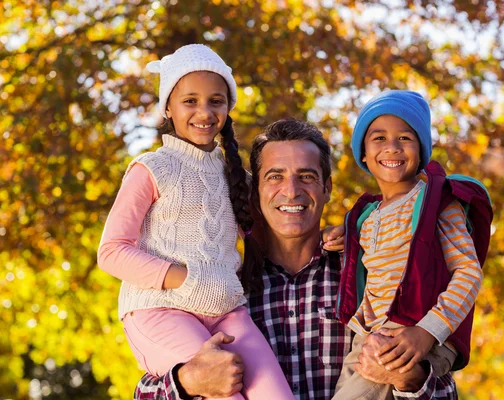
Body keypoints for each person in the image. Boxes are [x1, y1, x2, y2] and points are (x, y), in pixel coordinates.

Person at [134, 118, 459, 400]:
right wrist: (188, 382)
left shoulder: (373, 276)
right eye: (275, 176)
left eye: (306, 176)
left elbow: (446, 391)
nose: (291, 191)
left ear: (327, 187)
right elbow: (144, 391)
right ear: (254, 191)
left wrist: (406, 377)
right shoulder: (222, 289)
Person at [97, 44, 294, 400]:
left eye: (216, 101)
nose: (204, 112)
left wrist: (333, 234)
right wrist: (186, 278)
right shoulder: (152, 169)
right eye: (190, 101)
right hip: (159, 309)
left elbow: (276, 230)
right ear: (168, 108)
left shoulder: (236, 175)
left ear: (228, 108)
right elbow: (111, 251)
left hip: (225, 310)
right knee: (222, 393)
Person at [333, 90, 484, 400]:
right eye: (379, 138)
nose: (392, 147)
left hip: (412, 330)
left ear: (421, 150)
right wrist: (338, 236)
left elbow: (469, 271)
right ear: (362, 153)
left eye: (405, 138)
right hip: (367, 333)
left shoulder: (437, 203)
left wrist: (427, 332)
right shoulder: (367, 216)